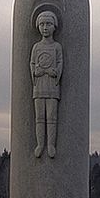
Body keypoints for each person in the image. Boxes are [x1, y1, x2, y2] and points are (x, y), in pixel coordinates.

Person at [30, 10, 62, 158]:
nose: (45, 27)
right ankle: (40, 144)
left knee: (51, 116)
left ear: (54, 26)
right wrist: (35, 71)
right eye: (42, 24)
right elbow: (32, 63)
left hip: (52, 86)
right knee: (39, 117)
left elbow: (60, 63)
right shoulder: (36, 47)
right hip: (39, 86)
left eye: (48, 24)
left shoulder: (57, 47)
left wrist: (55, 72)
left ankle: (50, 145)